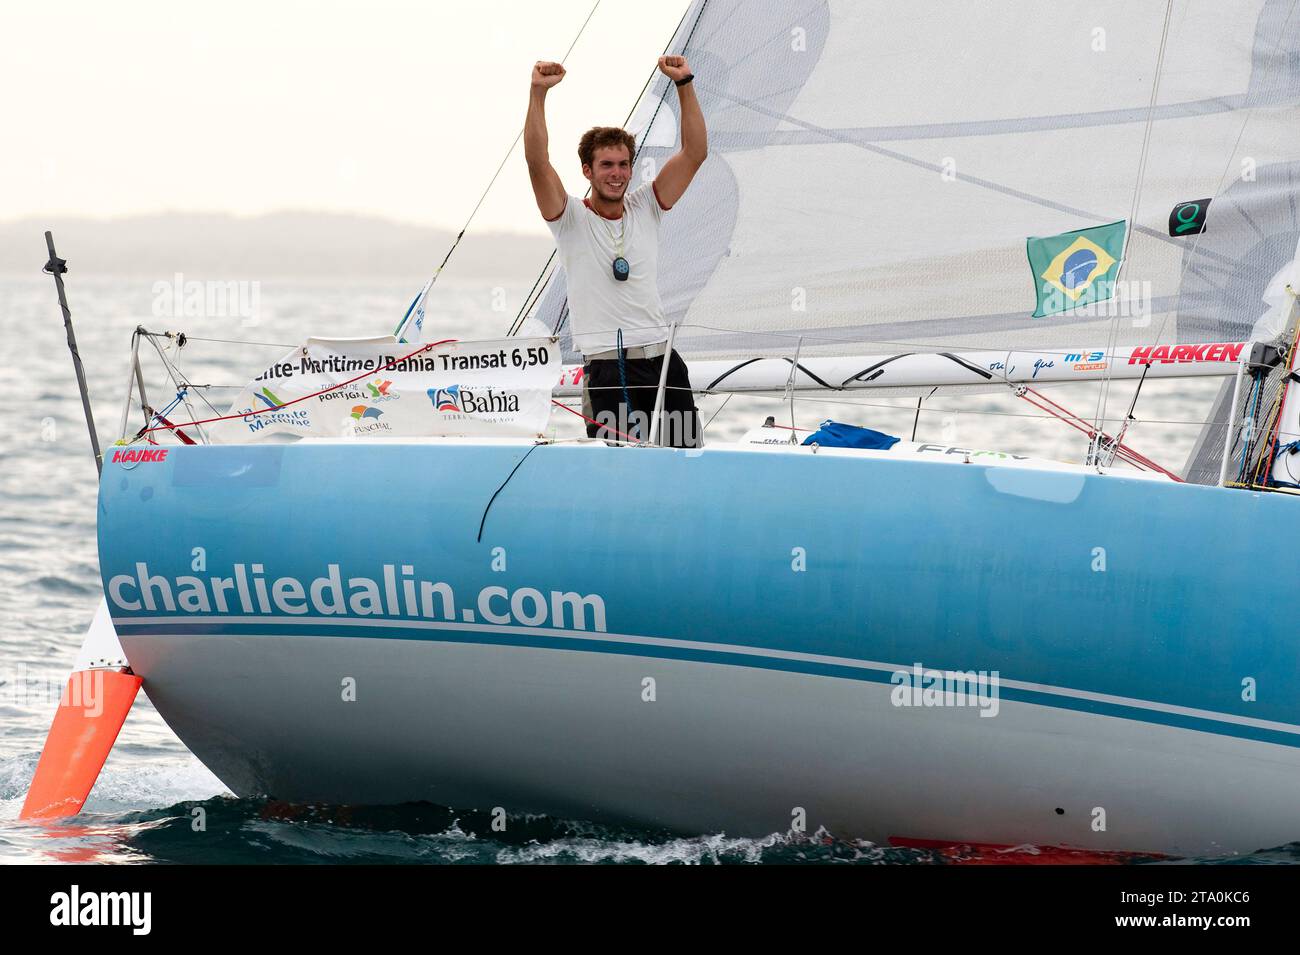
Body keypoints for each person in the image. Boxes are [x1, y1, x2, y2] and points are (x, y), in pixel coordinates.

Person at [524, 55, 707, 447]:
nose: (617, 173)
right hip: (609, 368)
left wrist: (685, 84)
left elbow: (695, 153)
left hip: (662, 363)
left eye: (624, 164)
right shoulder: (570, 217)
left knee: (686, 459)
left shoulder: (647, 206)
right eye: (606, 164)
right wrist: (538, 94)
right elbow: (538, 163)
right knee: (620, 468)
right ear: (587, 171)